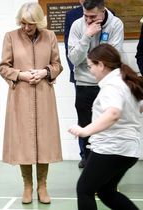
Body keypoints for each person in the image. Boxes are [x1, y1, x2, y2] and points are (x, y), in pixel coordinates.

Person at [0, 2, 63, 205]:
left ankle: (42, 185)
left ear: (38, 22)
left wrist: (45, 72)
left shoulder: (50, 36)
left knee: (44, 141)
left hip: (44, 95)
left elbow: (57, 64)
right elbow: (3, 67)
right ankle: (27, 185)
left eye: (31, 24)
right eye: (24, 23)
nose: (27, 28)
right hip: (20, 96)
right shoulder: (10, 36)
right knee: (23, 143)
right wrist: (21, 75)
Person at [68, 43, 143, 210]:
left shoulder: (112, 86)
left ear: (101, 65)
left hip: (112, 149)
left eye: (90, 66)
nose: (90, 71)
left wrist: (84, 130)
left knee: (84, 190)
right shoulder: (124, 81)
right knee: (105, 191)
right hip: (127, 150)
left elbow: (113, 113)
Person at [68, 0, 124, 166]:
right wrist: (87, 36)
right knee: (86, 129)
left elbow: (113, 59)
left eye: (93, 16)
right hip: (84, 84)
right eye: (86, 15)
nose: (88, 20)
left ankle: (107, 170)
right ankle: (89, 167)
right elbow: (74, 59)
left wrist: (89, 59)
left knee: (109, 129)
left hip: (108, 85)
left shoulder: (116, 24)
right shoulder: (78, 26)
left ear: (103, 11)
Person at [64, 0, 86, 168]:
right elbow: (68, 48)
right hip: (80, 75)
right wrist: (75, 70)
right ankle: (84, 155)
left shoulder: (110, 15)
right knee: (83, 117)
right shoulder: (72, 16)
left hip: (103, 76)